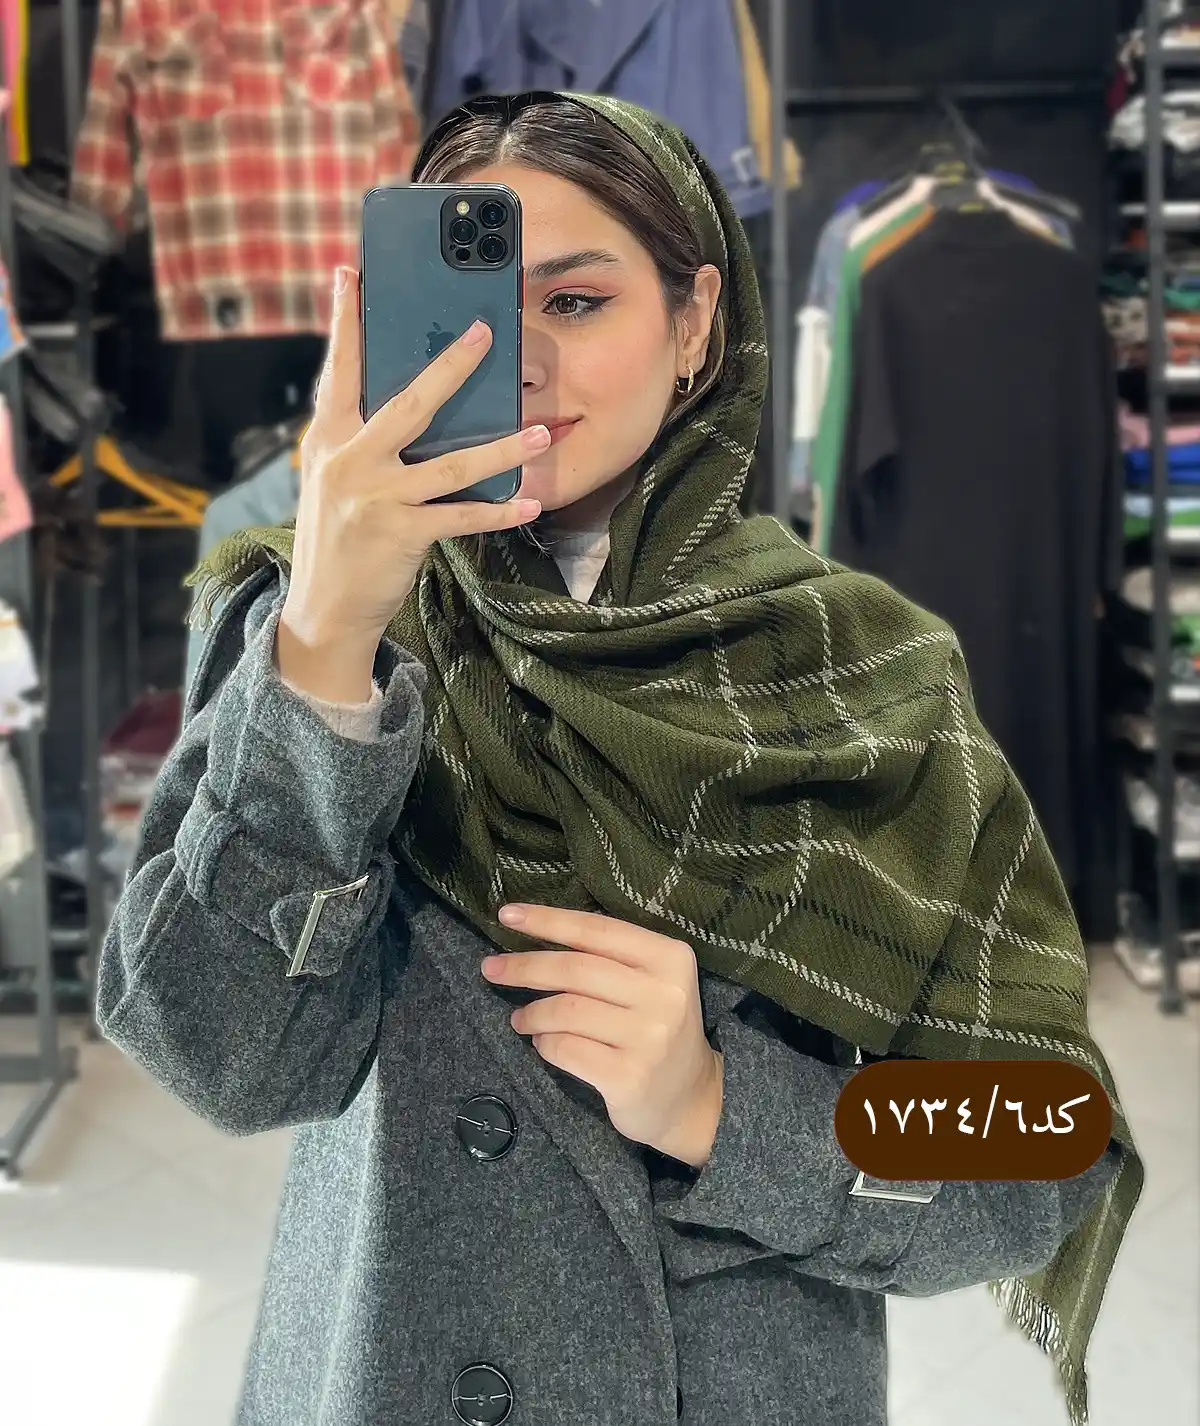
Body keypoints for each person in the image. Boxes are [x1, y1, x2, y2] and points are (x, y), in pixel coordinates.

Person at [103, 93, 1141, 1426]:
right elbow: (219, 1059)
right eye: (464, 304)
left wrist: (723, 1107)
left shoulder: (863, 671)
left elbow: (1038, 1147)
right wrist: (328, 638)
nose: (515, 359)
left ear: (695, 323)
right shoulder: (303, 627)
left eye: (576, 301)